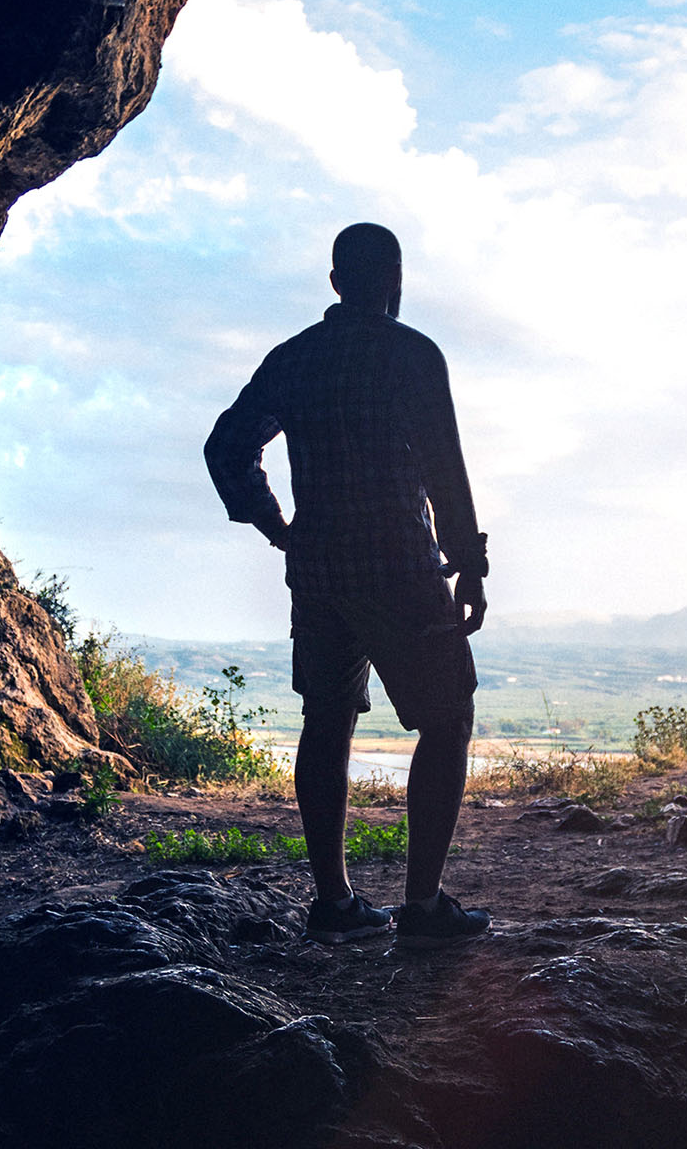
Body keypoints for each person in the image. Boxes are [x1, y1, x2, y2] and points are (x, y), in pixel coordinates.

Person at [203, 223, 491, 947]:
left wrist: (278, 528)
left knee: (326, 722)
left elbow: (226, 445)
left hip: (322, 570)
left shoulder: (295, 359)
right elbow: (444, 467)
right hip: (400, 564)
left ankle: (334, 903)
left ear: (335, 282)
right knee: (448, 716)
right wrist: (469, 560)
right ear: (395, 279)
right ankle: (423, 908)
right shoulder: (412, 356)